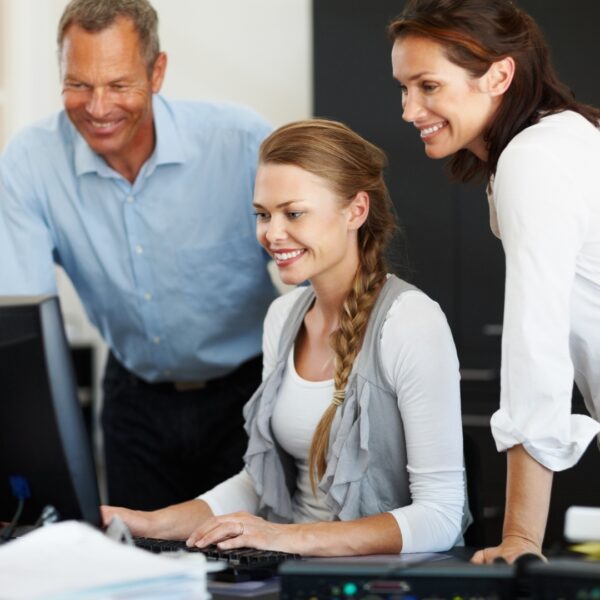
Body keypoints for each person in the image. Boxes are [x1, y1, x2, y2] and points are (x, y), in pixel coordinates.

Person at [102, 118, 470, 556]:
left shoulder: (410, 322)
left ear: (355, 210)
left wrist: (286, 537)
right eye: (262, 214)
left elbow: (442, 515)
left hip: (374, 580)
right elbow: (261, 484)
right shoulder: (283, 316)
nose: (272, 234)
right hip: (288, 568)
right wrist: (150, 522)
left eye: (293, 213)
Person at [0, 0, 276, 511]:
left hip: (249, 393)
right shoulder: (30, 161)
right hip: (134, 399)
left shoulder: (241, 143)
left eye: (119, 84)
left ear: (157, 71)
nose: (98, 107)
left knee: (251, 570)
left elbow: (313, 281)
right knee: (138, 569)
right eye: (78, 84)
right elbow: (20, 323)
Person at [389, 0, 600, 564]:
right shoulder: (565, 137)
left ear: (499, 75)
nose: (410, 110)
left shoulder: (533, 160)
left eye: (428, 85)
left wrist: (520, 540)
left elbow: (538, 348)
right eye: (404, 88)